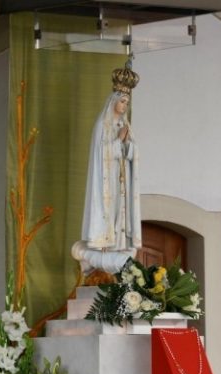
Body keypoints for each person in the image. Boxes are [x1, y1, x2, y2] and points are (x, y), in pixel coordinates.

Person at [72, 63, 142, 274]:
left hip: (122, 181)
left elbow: (133, 153)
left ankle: (118, 246)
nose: (124, 106)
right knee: (109, 212)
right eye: (122, 101)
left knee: (121, 214)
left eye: (127, 102)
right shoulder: (102, 125)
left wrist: (128, 144)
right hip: (107, 181)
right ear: (113, 101)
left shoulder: (125, 125)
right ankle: (101, 244)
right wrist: (118, 142)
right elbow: (101, 154)